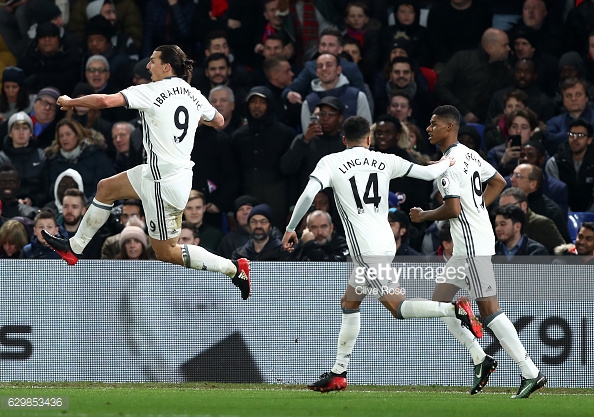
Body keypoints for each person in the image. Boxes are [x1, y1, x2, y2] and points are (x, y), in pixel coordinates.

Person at [282, 115, 481, 393]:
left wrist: (292, 227)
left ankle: (453, 309)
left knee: (398, 308)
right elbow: (427, 174)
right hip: (386, 242)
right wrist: (447, 163)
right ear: (368, 139)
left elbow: (307, 196)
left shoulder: (331, 162)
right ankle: (339, 372)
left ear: (343, 140)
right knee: (349, 303)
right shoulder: (385, 159)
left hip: (366, 251)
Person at [40, 44, 251, 301]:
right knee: (106, 188)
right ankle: (74, 248)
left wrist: (71, 102)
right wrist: (195, 117)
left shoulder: (151, 91)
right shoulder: (193, 93)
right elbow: (219, 121)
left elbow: (105, 101)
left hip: (163, 183)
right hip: (157, 173)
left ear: (167, 67)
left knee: (166, 253)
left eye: (153, 61)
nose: (148, 66)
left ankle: (233, 269)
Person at [409, 105, 546, 398]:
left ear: (449, 127)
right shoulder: (469, 154)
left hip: (472, 243)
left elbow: (453, 207)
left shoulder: (448, 163)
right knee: (440, 300)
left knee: (489, 309)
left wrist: (424, 216)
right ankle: (480, 357)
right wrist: (479, 206)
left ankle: (530, 372)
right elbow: (499, 181)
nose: (429, 129)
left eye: (433, 124)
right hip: (469, 242)